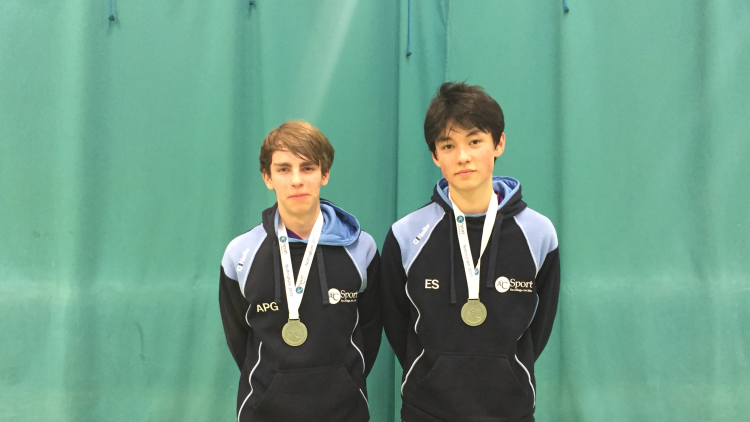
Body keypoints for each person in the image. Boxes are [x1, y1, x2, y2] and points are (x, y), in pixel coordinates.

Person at [381, 82, 560, 422]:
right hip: (427, 410)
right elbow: (395, 321)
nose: (462, 156)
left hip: (510, 409)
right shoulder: (406, 235)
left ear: (499, 143)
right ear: (435, 156)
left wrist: (507, 369)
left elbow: (541, 323)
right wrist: (432, 371)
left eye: (475, 141)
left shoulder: (539, 233)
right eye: (448, 145)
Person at [219, 121, 381, 422]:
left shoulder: (361, 248)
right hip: (263, 411)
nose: (296, 180)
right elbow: (239, 338)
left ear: (325, 174)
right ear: (267, 177)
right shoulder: (240, 254)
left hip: (344, 411)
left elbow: (370, 330)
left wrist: (341, 379)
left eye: (307, 168)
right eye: (283, 169)